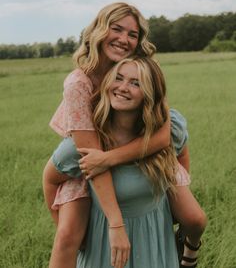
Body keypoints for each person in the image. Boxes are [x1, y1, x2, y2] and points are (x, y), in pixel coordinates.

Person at [43, 2, 171, 268]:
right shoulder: (79, 83)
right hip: (85, 153)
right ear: (100, 30)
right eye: (116, 29)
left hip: (126, 143)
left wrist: (111, 158)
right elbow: (92, 158)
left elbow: (163, 135)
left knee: (192, 215)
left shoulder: (142, 67)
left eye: (132, 34)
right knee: (68, 236)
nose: (123, 39)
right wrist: (115, 224)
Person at [76, 56, 190, 267]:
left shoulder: (163, 135)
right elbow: (50, 179)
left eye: (136, 83)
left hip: (156, 243)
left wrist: (177, 196)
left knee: (196, 219)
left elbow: (181, 151)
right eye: (118, 78)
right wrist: (74, 237)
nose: (123, 87)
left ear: (149, 95)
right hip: (105, 248)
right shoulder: (88, 141)